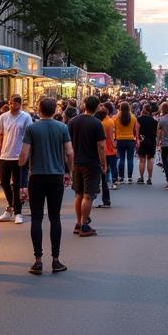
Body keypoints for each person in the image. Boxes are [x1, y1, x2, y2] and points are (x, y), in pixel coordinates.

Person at [20, 97, 73, 274]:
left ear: (40, 109)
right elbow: (70, 152)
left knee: (36, 218)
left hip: (37, 177)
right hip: (56, 176)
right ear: (54, 111)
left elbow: (24, 155)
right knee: (54, 217)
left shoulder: (32, 128)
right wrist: (68, 172)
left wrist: (22, 167)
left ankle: (38, 260)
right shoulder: (62, 128)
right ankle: (56, 260)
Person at [69, 95, 107, 237]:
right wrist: (103, 164)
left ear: (84, 105)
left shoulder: (73, 121)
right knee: (88, 195)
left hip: (76, 162)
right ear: (97, 107)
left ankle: (78, 223)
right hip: (91, 163)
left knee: (78, 194)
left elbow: (68, 143)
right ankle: (85, 225)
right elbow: (101, 146)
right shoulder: (97, 124)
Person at [0, 94, 32, 223]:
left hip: (19, 155)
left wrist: (27, 154)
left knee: (17, 184)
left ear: (20, 104)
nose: (12, 105)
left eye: (15, 103)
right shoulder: (3, 117)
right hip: (5, 155)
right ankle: (11, 207)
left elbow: (29, 136)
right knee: (4, 182)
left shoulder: (26, 117)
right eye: (10, 103)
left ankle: (18, 212)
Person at [113, 101, 139, 184]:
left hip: (120, 140)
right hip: (131, 139)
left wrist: (115, 139)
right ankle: (130, 177)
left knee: (121, 159)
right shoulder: (133, 117)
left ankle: (121, 177)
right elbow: (135, 130)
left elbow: (114, 130)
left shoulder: (116, 117)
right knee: (130, 159)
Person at [96, 106, 114, 208]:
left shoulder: (98, 124)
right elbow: (111, 138)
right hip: (108, 151)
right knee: (104, 176)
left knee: (98, 176)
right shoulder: (110, 121)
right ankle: (106, 200)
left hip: (99, 152)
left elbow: (101, 145)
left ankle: (93, 194)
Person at [137, 102, 158, 184]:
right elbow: (156, 133)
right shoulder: (154, 121)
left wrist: (138, 140)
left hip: (142, 140)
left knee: (142, 160)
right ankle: (149, 178)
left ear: (143, 110)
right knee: (150, 160)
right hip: (151, 141)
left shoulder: (139, 119)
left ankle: (141, 177)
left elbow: (137, 131)